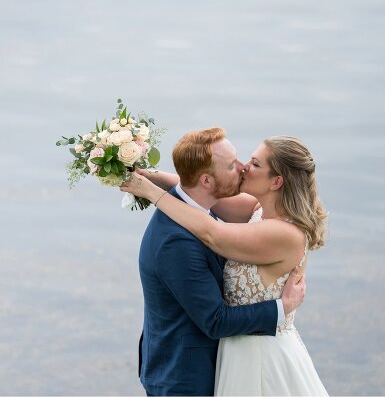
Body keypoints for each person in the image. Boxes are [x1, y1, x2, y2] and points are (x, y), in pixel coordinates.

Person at [121, 131, 328, 396]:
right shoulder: (257, 210)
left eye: (255, 164)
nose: (244, 167)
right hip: (222, 358)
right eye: (239, 163)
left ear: (277, 182)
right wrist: (153, 176)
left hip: (260, 357)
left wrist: (151, 192)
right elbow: (200, 189)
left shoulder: (284, 233)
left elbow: (212, 232)